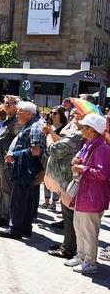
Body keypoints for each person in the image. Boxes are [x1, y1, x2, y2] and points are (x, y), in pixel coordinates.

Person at [44, 99, 91, 259]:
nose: (73, 116)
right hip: (67, 180)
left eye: (76, 114)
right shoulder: (77, 133)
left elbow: (54, 149)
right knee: (68, 216)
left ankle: (68, 248)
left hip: (68, 181)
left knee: (69, 217)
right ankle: (68, 244)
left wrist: (48, 135)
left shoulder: (78, 135)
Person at [65, 113, 110, 274]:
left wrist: (82, 168)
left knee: (89, 232)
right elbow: (82, 159)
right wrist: (76, 161)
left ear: (93, 130)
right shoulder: (89, 144)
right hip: (84, 195)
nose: (81, 129)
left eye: (84, 127)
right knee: (79, 228)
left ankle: (90, 263)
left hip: (93, 196)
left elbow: (103, 174)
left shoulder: (102, 148)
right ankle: (81, 256)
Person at [0, 101, 46, 239]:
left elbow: (36, 150)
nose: (17, 114)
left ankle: (16, 229)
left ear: (28, 113)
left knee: (19, 200)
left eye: (19, 111)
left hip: (26, 168)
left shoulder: (36, 126)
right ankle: (23, 228)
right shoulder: (31, 124)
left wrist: (15, 155)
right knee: (25, 200)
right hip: (25, 167)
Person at [0, 95, 21, 226]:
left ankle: (5, 215)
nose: (5, 106)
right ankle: (0, 213)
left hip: (5, 161)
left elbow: (17, 140)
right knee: (1, 188)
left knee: (6, 189)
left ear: (16, 106)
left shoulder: (16, 121)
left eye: (8, 104)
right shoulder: (8, 120)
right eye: (5, 103)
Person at [41, 106, 67, 211]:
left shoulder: (64, 128)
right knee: (46, 178)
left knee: (55, 179)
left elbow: (61, 142)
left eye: (55, 113)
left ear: (61, 115)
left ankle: (54, 203)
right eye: (51, 112)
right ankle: (46, 201)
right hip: (46, 155)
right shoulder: (48, 126)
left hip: (57, 157)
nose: (52, 115)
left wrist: (51, 133)